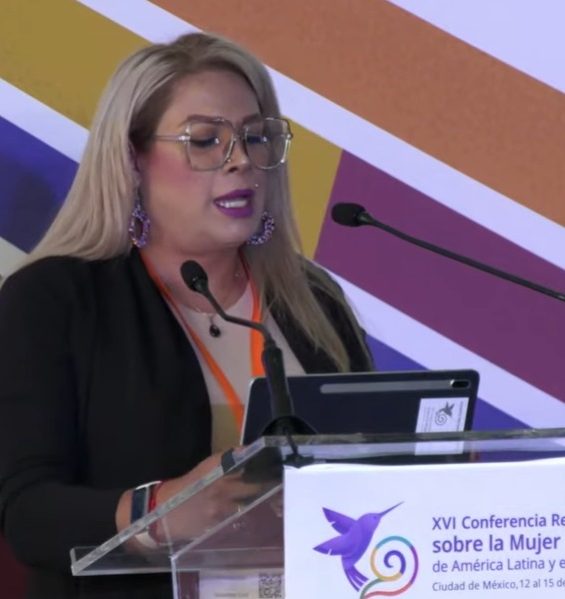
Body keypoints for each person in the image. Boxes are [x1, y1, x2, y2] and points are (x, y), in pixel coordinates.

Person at [0, 32, 374, 598]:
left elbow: (371, 463)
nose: (241, 161)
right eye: (205, 141)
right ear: (132, 159)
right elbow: (28, 513)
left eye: (255, 137)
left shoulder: (313, 298)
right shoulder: (54, 299)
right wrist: (157, 513)